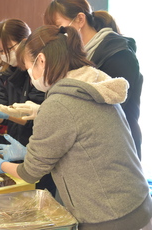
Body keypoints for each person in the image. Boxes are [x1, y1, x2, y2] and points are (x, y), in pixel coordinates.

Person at [0, 25, 152, 230]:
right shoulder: (94, 84)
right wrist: (30, 152)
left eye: (30, 69)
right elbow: (85, 146)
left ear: (42, 61)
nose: (30, 77)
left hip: (109, 216)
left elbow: (29, 173)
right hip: (137, 203)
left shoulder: (60, 103)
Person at [43, 0, 143, 160]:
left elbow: (111, 110)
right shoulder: (78, 56)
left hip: (117, 150)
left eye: (60, 27)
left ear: (80, 20)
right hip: (90, 148)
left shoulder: (119, 54)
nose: (58, 35)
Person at [0, 19, 56, 197]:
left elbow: (39, 114)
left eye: (7, 49)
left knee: (40, 195)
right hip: (15, 143)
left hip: (39, 146)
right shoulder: (5, 74)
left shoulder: (39, 76)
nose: (3, 55)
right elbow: (1, 111)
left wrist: (6, 112)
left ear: (26, 41)